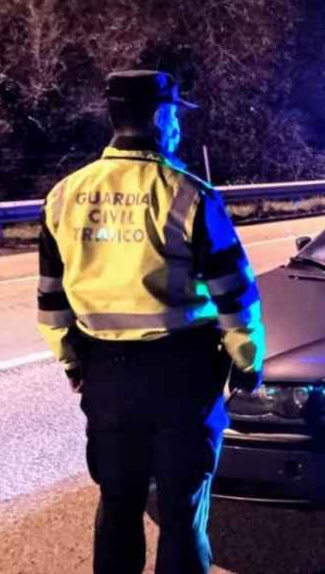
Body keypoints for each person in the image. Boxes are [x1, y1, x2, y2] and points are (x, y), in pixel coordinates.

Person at [36, 70, 265, 574]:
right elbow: (235, 297)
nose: (180, 127)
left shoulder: (63, 196)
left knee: (118, 507)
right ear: (161, 118)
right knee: (182, 515)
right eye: (177, 116)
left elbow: (52, 307)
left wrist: (75, 365)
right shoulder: (190, 195)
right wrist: (247, 363)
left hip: (107, 376)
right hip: (182, 378)